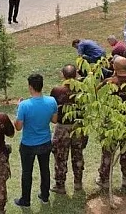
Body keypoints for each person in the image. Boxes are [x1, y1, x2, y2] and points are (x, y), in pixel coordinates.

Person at [96, 56, 126, 188]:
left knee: (107, 151)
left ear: (114, 67)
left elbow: (96, 94)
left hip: (111, 122)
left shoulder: (110, 82)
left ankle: (104, 179)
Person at [13, 73, 58, 208]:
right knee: (45, 170)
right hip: (45, 142)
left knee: (27, 172)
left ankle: (25, 200)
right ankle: (45, 196)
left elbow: (18, 127)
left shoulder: (24, 105)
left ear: (30, 87)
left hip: (28, 145)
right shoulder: (52, 101)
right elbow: (54, 120)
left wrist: (18, 107)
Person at [49, 64, 88, 194]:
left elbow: (53, 109)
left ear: (63, 75)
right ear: (76, 74)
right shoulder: (83, 90)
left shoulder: (56, 90)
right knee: (78, 155)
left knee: (60, 157)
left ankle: (60, 185)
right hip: (78, 126)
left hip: (62, 127)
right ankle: (78, 183)